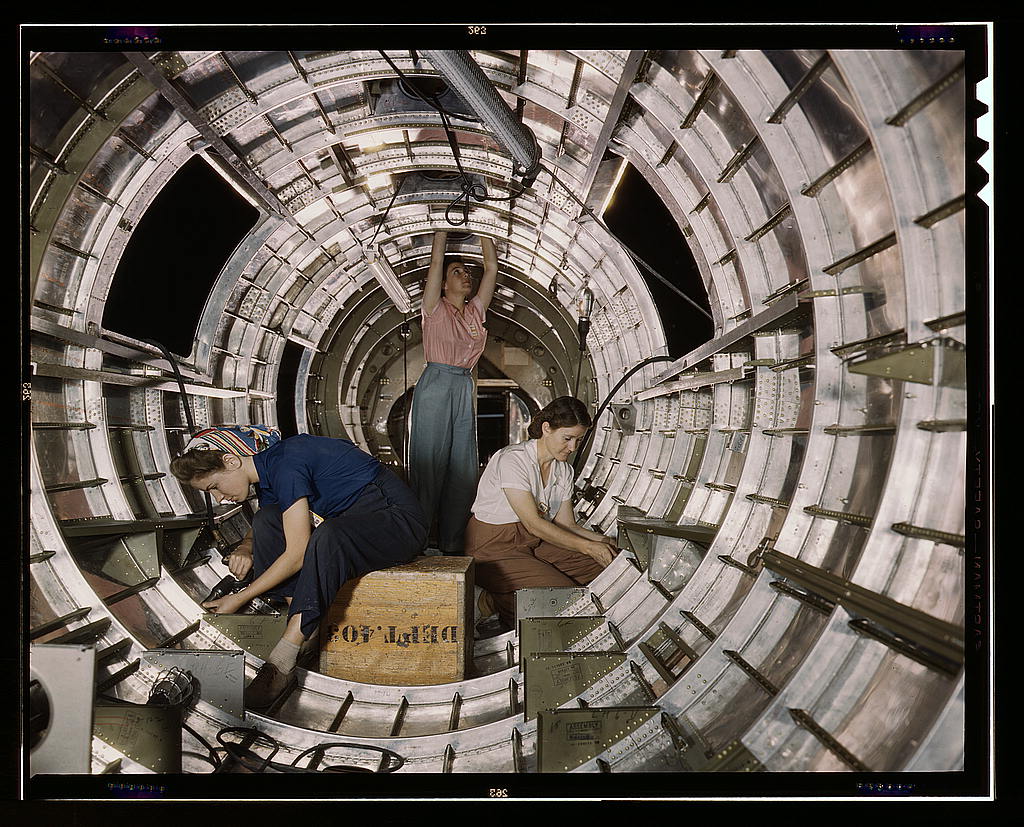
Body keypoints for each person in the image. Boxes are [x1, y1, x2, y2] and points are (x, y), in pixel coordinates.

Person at [170, 425, 427, 710]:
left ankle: (282, 660)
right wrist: (245, 547)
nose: (219, 498)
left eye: (215, 487)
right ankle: (304, 627)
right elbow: (274, 523)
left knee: (329, 535)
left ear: (231, 460)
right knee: (267, 519)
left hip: (398, 523)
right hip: (353, 524)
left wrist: (240, 597)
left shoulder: (288, 463)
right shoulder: (268, 473)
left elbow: (297, 554)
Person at [464, 397, 617, 630]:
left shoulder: (563, 469)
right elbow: (534, 523)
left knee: (600, 566)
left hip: (532, 542)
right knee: (560, 595)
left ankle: (506, 591)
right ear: (546, 429)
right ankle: (488, 601)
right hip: (493, 545)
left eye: (578, 439)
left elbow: (568, 525)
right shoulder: (513, 459)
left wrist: (606, 542)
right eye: (567, 439)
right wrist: (588, 546)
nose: (573, 448)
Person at [409, 229, 498, 555]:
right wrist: (443, 229)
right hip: (436, 384)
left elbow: (490, 267)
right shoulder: (435, 306)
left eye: (466, 272)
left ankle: (451, 544)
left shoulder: (475, 312)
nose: (466, 276)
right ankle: (416, 543)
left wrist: (486, 227)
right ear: (444, 284)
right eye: (457, 273)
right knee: (429, 466)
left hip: (462, 385)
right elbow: (436, 261)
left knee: (463, 468)